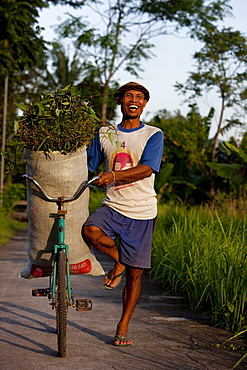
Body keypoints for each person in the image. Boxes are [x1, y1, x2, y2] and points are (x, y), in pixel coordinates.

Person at [83, 81, 164, 346]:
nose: (134, 100)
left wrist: (114, 175)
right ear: (119, 101)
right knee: (90, 231)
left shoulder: (153, 134)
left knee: (135, 275)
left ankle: (123, 324)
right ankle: (119, 259)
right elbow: (90, 165)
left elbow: (148, 168)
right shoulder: (104, 132)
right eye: (128, 95)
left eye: (139, 97)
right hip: (113, 207)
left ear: (144, 104)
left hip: (142, 211)